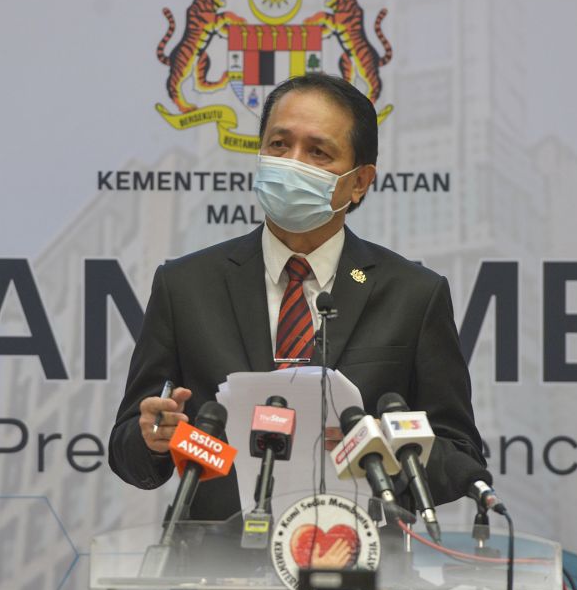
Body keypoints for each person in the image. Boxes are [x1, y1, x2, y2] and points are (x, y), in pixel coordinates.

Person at [109, 73, 484, 520]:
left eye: (318, 152)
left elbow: (460, 458)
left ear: (360, 181)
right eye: (279, 145)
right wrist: (153, 437)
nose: (292, 163)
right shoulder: (186, 285)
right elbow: (128, 450)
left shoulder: (413, 295)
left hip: (361, 567)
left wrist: (383, 451)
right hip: (218, 567)